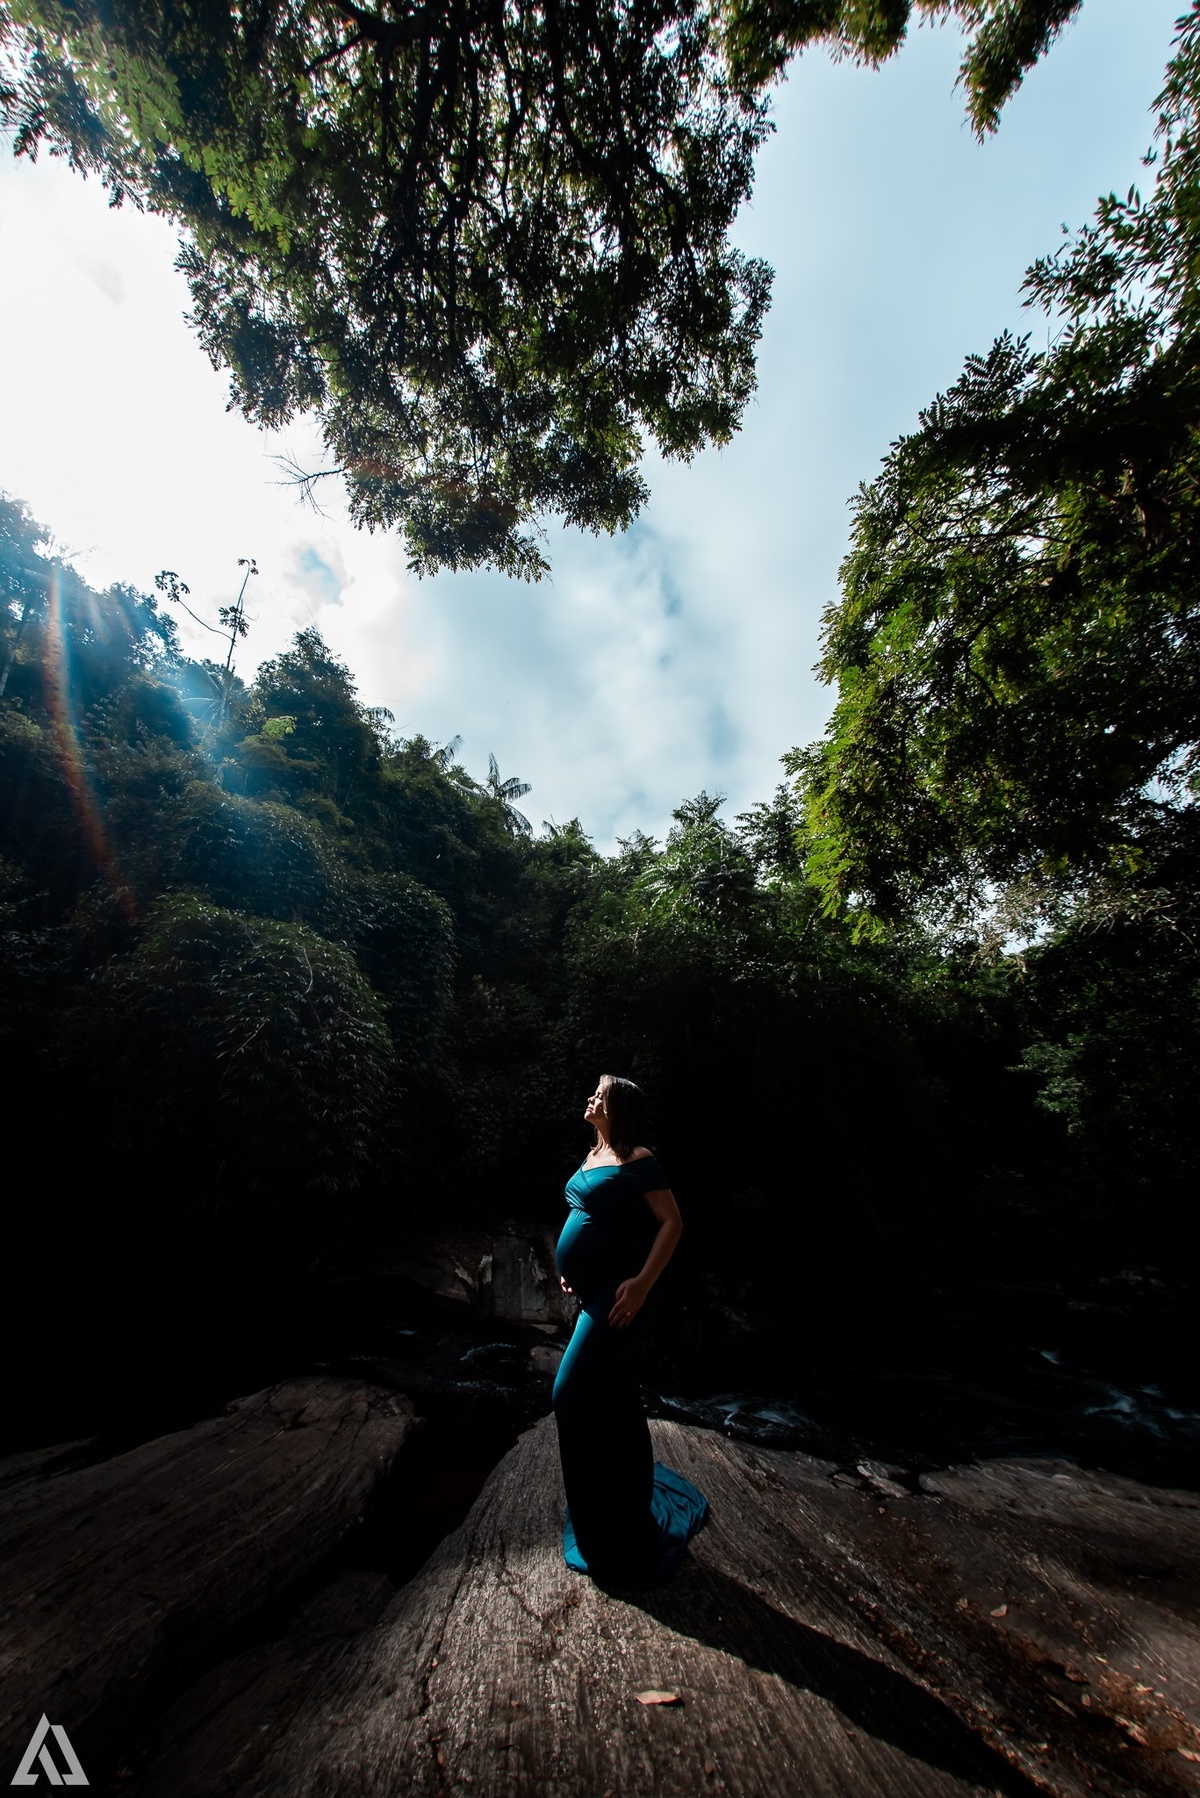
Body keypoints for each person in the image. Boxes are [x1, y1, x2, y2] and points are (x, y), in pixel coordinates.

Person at [552, 1074, 708, 1586]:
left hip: (622, 1300)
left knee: (569, 1394)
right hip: (593, 1291)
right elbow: (587, 1215)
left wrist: (641, 1283)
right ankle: (621, 1508)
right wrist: (570, 1270)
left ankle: (611, 1528)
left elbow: (673, 1224)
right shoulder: (593, 1155)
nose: (591, 1096)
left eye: (600, 1093)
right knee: (614, 1401)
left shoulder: (639, 1158)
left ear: (619, 1107)